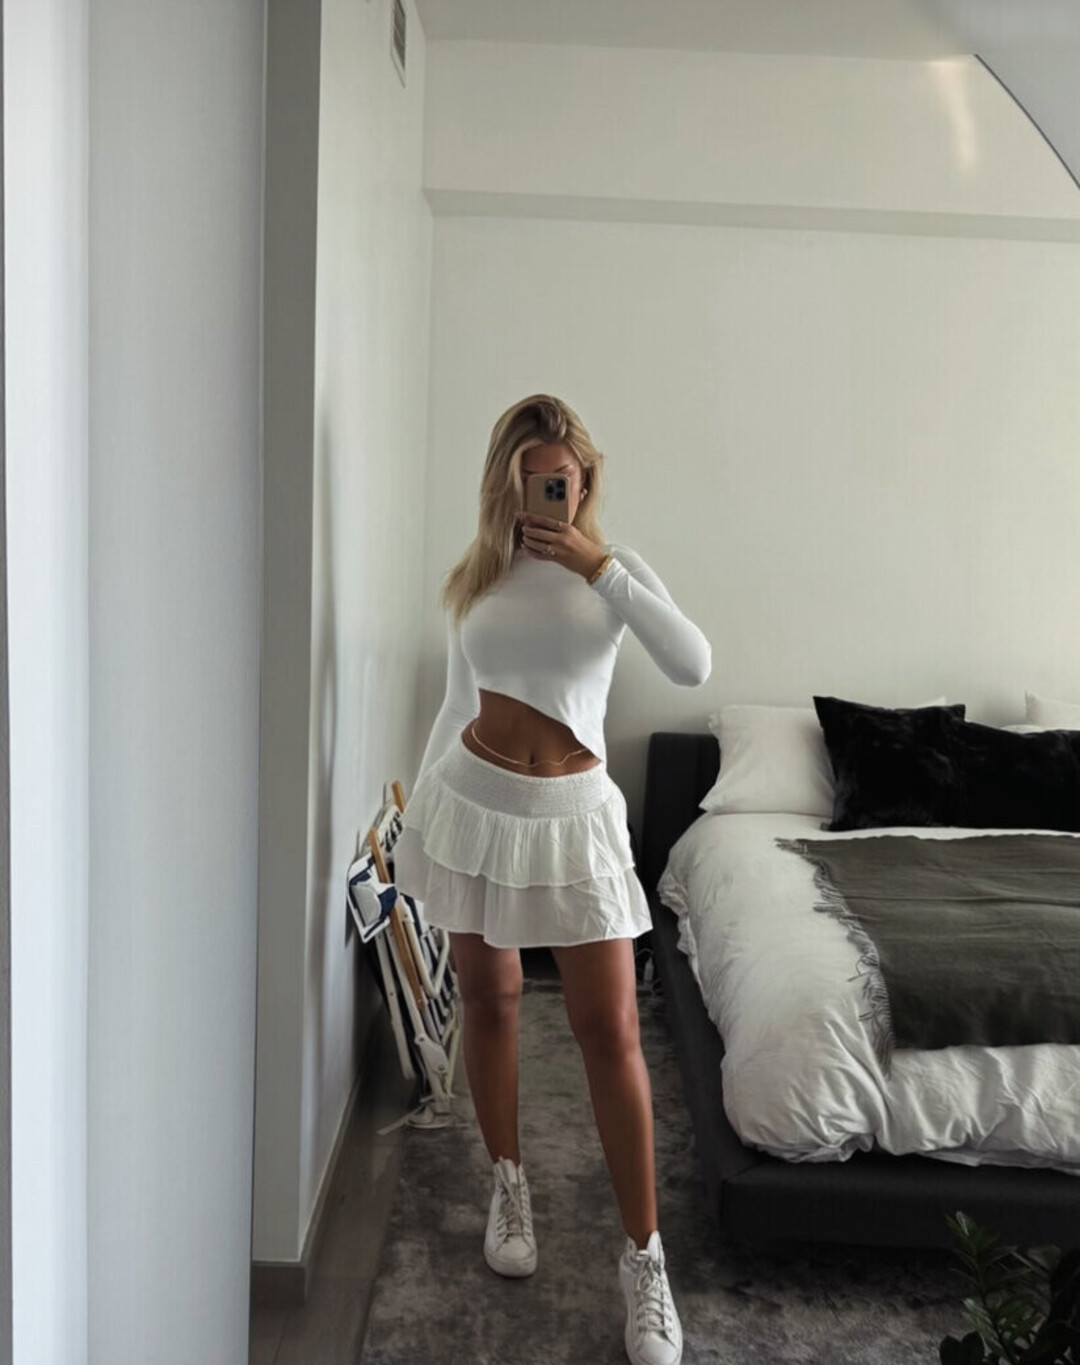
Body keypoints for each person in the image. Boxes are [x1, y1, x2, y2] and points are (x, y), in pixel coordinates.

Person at [393, 394, 711, 1365]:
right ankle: (508, 1181)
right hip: (473, 804)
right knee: (489, 1003)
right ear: (506, 482)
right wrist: (417, 831)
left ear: (585, 478)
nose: (550, 493)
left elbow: (693, 663)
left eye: (564, 478)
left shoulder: (614, 570)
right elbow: (456, 704)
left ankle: (643, 1257)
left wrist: (595, 565)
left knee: (609, 1030)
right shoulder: (477, 579)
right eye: (533, 478)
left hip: (575, 818)